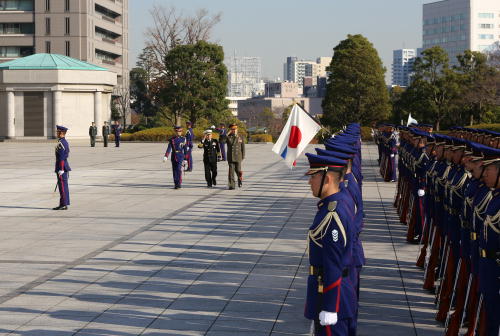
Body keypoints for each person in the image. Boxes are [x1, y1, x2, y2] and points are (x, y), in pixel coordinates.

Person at [304, 153, 357, 336]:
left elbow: (334, 262)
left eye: (313, 177)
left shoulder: (332, 213)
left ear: (326, 179)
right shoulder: (333, 203)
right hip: (331, 290)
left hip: (330, 294)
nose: (310, 182)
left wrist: (329, 306)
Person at [54, 125, 71, 210]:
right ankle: (63, 203)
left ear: (61, 133)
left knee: (63, 187)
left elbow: (61, 157)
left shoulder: (61, 143)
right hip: (64, 166)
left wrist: (61, 169)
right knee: (63, 186)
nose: (56, 133)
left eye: (57, 132)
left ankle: (64, 204)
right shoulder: (64, 142)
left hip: (62, 167)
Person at [226, 123, 245, 189]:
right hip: (230, 157)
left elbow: (243, 147)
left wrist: (243, 156)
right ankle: (231, 185)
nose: (234, 130)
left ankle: (240, 178)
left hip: (238, 156)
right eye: (232, 129)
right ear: (230, 130)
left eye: (235, 129)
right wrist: (227, 134)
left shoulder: (240, 136)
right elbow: (222, 141)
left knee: (238, 170)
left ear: (237, 129)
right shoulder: (228, 136)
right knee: (231, 172)